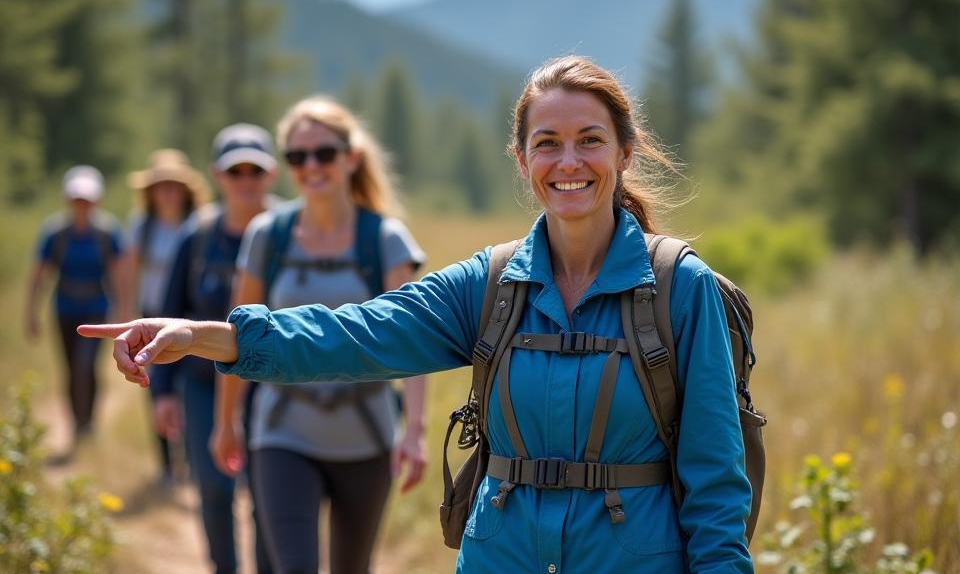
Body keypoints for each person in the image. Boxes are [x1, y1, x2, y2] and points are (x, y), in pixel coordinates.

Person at [82, 56, 754, 573]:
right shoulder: (489, 286)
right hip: (501, 557)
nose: (568, 161)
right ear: (522, 162)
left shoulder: (679, 289)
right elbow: (354, 334)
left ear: (624, 154)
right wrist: (209, 337)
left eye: (589, 141)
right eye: (547, 143)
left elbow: (716, 481)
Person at [208, 97, 428, 574]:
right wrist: (226, 422)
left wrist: (414, 431)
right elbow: (237, 335)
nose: (311, 166)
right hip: (281, 433)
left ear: (350, 158)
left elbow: (411, 339)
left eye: (323, 154)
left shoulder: (385, 239)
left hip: (366, 439)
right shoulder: (269, 235)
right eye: (297, 156)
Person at [149, 124, 279, 574]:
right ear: (217, 176)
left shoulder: (288, 232)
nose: (245, 180)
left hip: (275, 389)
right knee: (213, 487)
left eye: (254, 171)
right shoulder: (196, 238)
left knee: (269, 495)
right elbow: (170, 314)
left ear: (272, 174)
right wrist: (162, 393)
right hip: (203, 386)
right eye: (235, 170)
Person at [25, 165, 125, 453]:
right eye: (77, 199)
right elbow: (39, 275)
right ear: (68, 200)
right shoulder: (54, 233)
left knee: (86, 365)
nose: (82, 205)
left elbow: (118, 274)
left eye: (87, 200)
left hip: (96, 308)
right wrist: (31, 313)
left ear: (96, 200)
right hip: (64, 309)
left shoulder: (107, 233)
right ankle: (76, 421)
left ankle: (88, 422)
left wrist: (122, 311)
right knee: (71, 368)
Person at [127, 148, 210, 484]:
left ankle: (191, 459)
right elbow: (131, 271)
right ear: (151, 191)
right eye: (162, 186)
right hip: (152, 315)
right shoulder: (142, 227)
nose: (168, 192)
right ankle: (166, 463)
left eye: (174, 185)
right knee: (157, 388)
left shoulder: (200, 225)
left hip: (189, 318)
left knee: (189, 386)